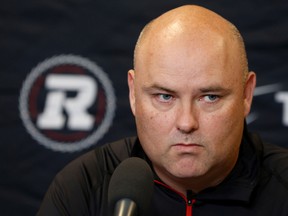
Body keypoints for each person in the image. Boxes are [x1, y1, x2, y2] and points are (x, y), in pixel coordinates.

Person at [37, 5, 288, 216]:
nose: (186, 122)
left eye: (210, 97)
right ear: (134, 94)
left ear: (246, 95)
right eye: (165, 96)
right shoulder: (81, 189)